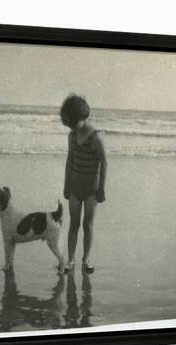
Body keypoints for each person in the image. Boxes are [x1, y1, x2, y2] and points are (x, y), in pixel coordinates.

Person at [61, 94, 107, 274]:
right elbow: (69, 159)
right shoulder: (72, 136)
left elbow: (104, 163)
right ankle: (70, 260)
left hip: (91, 190)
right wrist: (66, 185)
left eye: (73, 123)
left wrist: (102, 189)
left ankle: (86, 259)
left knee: (87, 225)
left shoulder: (96, 137)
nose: (71, 128)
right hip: (74, 187)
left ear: (83, 117)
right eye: (69, 124)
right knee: (73, 224)